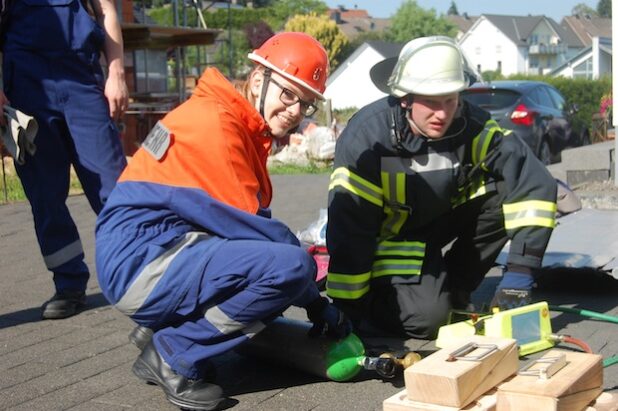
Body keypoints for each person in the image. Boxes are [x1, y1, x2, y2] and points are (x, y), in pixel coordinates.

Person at [95, 32, 351, 411]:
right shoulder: (218, 126)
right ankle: (173, 352)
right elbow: (264, 237)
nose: (296, 111)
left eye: (307, 103)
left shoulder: (227, 115)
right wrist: (316, 302)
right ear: (259, 78)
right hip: (140, 264)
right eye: (288, 94)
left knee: (272, 265)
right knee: (288, 268)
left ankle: (160, 328)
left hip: (144, 251)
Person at [326, 36, 557, 340]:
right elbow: (350, 227)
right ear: (405, 97)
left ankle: (456, 290)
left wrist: (520, 273)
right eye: (431, 103)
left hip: (433, 228)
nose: (443, 114)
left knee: (504, 189)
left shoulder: (472, 125)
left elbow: (533, 183)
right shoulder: (367, 139)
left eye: (451, 100)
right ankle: (381, 304)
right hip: (387, 241)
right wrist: (348, 309)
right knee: (429, 321)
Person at [0, 0, 128, 318]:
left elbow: (107, 10)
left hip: (82, 80)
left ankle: (140, 268)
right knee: (45, 195)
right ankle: (69, 284)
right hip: (27, 86)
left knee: (116, 189)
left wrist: (116, 73)